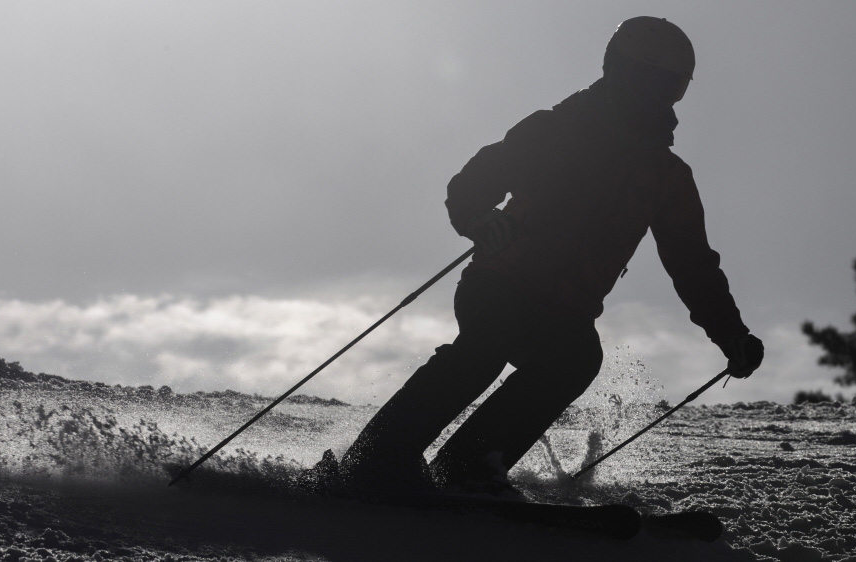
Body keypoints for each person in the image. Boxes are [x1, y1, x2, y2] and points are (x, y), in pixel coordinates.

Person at [307, 16, 763, 497]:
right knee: (487, 345)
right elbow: (473, 185)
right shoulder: (555, 130)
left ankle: (466, 467)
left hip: (566, 308)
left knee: (576, 357)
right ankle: (377, 458)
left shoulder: (666, 176)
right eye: (641, 78)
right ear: (616, 71)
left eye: (663, 84)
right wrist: (479, 220)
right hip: (500, 281)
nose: (649, 94)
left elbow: (692, 263)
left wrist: (730, 332)